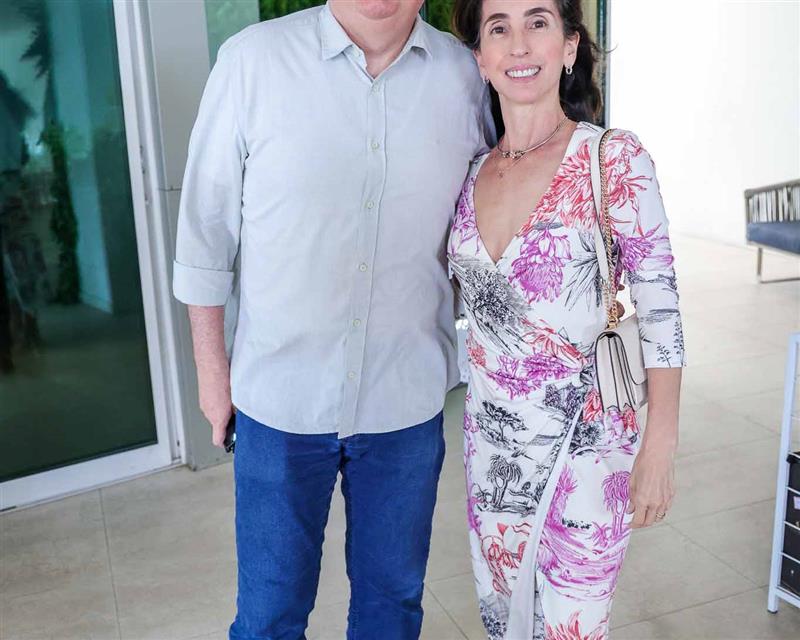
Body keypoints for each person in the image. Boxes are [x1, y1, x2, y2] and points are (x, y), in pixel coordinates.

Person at [172, 1, 494, 638]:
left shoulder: (465, 75)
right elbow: (205, 234)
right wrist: (212, 375)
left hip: (405, 402)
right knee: (268, 617)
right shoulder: (252, 62)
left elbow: (492, 217)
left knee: (391, 609)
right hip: (279, 403)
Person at [448, 0, 685, 637]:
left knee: (571, 628)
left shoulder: (614, 159)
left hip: (588, 450)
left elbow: (661, 309)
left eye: (538, 22)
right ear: (481, 58)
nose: (519, 44)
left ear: (570, 45)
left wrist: (659, 446)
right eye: (499, 28)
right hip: (492, 452)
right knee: (504, 623)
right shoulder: (469, 173)